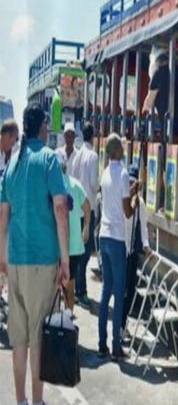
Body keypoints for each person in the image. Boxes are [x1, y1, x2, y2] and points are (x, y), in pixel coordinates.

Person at [0, 103, 69, 405]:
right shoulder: (49, 159)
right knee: (39, 337)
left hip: (14, 260)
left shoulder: (13, 161)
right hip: (42, 261)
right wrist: (66, 259)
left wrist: (1, 256)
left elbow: (3, 215)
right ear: (43, 125)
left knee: (19, 339)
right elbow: (60, 207)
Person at [97, 134, 133, 361]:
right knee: (119, 294)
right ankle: (116, 346)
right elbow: (127, 211)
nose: (124, 147)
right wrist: (135, 193)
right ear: (116, 150)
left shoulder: (105, 173)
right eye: (121, 145)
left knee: (105, 291)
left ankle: (102, 344)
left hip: (103, 236)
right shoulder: (123, 174)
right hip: (118, 237)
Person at [57, 151, 91, 314]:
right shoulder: (76, 184)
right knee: (69, 285)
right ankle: (67, 319)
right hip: (74, 246)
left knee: (58, 287)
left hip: (58, 246)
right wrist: (86, 227)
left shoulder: (51, 186)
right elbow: (87, 207)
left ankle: (60, 320)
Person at [71, 122, 99, 306]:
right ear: (93, 137)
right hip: (88, 208)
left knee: (78, 251)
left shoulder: (77, 154)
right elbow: (94, 183)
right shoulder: (93, 156)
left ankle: (75, 289)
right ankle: (81, 292)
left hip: (77, 209)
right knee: (85, 254)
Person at [123, 166, 152, 322]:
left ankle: (123, 323)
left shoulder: (140, 203)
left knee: (130, 289)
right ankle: (120, 324)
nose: (131, 186)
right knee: (120, 290)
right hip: (120, 249)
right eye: (129, 183)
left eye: (133, 183)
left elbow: (143, 226)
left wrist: (146, 246)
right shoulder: (121, 198)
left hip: (131, 251)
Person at [142, 45, 178, 138]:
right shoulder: (177, 71)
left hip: (169, 126)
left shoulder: (158, 73)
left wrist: (143, 110)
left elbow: (148, 104)